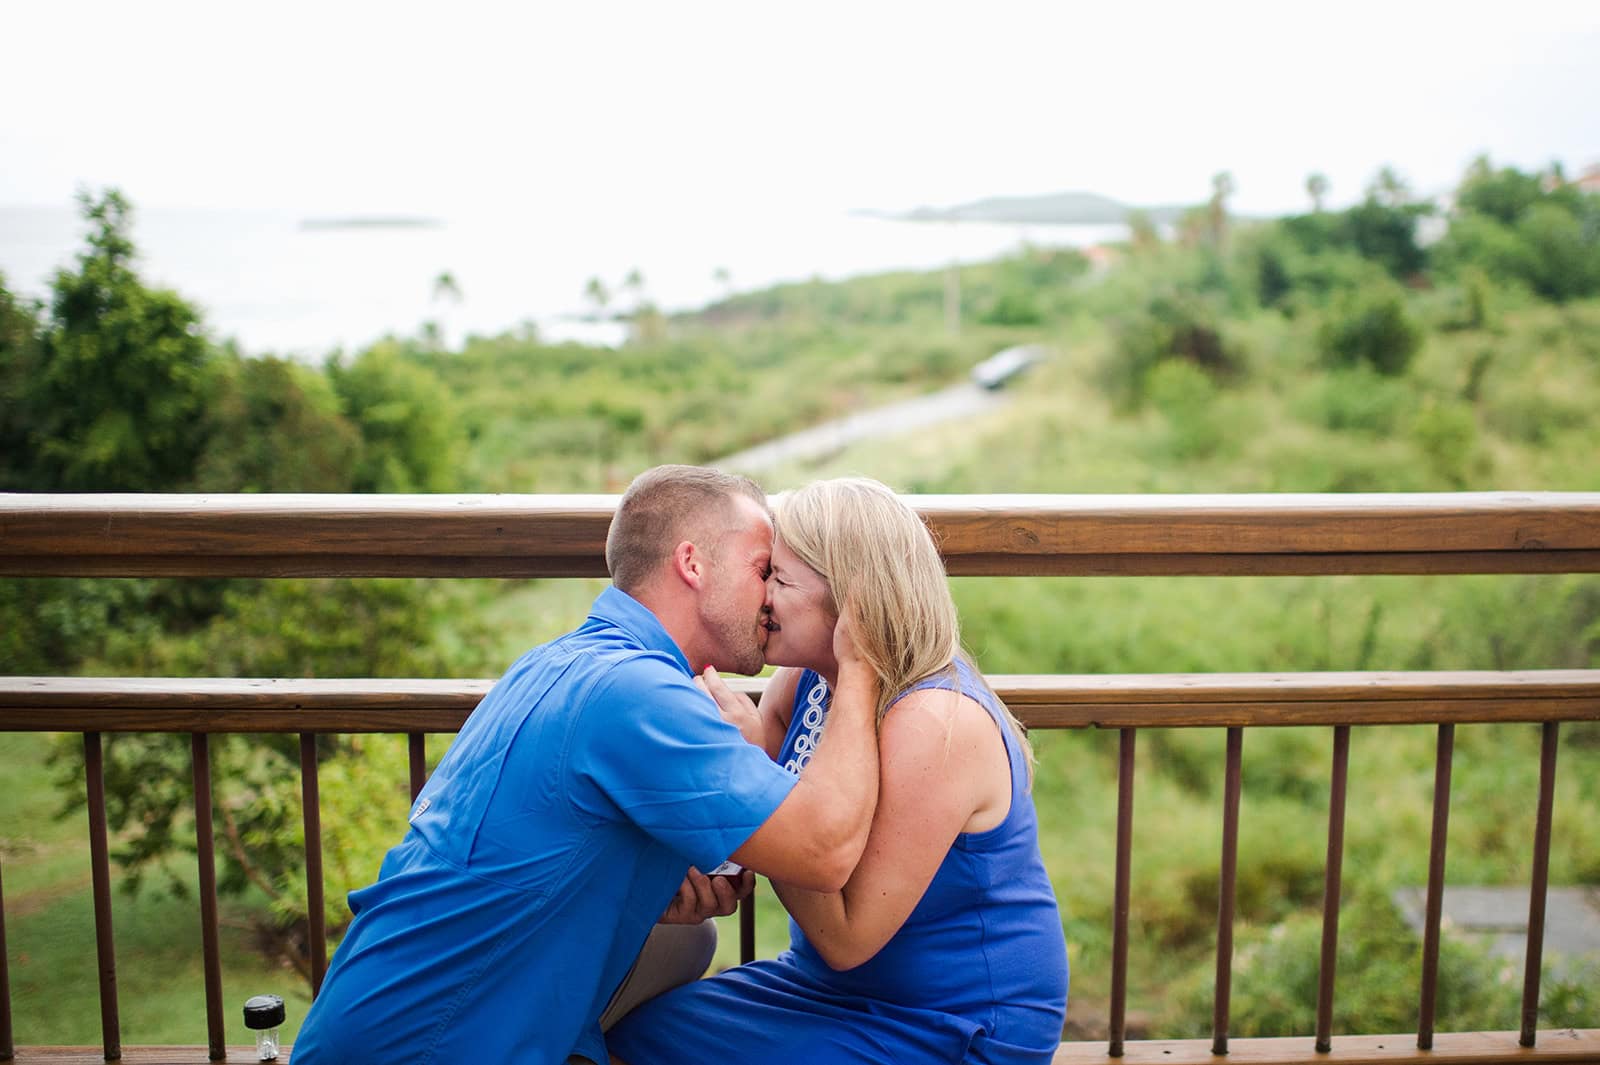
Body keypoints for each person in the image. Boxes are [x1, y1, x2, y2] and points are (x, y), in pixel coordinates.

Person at [290, 465, 882, 1065]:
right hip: (430, 1045)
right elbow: (824, 852)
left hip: (375, 1024)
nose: (770, 596)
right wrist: (856, 664)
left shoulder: (560, 662)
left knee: (686, 939)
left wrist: (640, 890)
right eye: (762, 570)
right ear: (693, 564)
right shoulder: (637, 695)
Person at [608, 477, 1069, 1065]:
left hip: (953, 1018)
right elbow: (764, 829)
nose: (761, 595)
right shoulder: (808, 680)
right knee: (626, 1044)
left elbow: (847, 935)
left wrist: (756, 764)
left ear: (852, 598)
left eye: (778, 577)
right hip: (824, 984)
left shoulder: (934, 720)